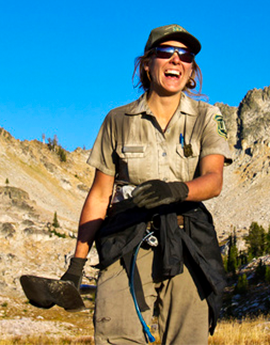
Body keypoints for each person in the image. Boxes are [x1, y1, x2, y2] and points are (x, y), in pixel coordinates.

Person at [61, 24, 232, 345]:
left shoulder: (208, 117)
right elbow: (99, 195)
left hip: (186, 241)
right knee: (116, 337)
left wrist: (178, 191)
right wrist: (76, 265)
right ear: (146, 64)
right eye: (166, 53)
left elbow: (213, 181)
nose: (176, 61)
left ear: (192, 68)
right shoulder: (117, 119)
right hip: (125, 239)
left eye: (186, 56)